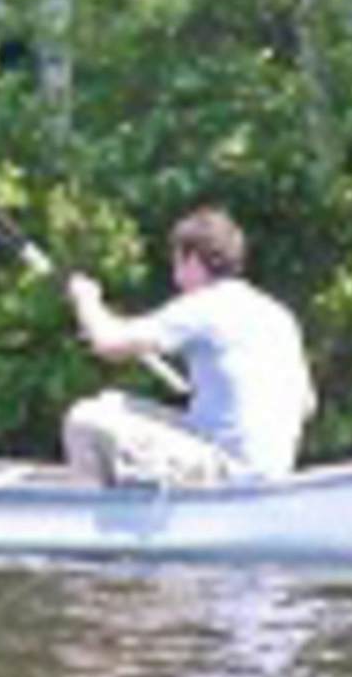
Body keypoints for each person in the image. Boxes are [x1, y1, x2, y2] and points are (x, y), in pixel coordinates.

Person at [58, 205, 313, 487]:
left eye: (177, 262)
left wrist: (86, 300)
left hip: (230, 472)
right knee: (112, 404)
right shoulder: (277, 314)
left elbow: (108, 342)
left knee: (85, 419)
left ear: (192, 259)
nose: (175, 276)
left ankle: (90, 517)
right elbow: (307, 404)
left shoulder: (205, 306)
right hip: (273, 470)